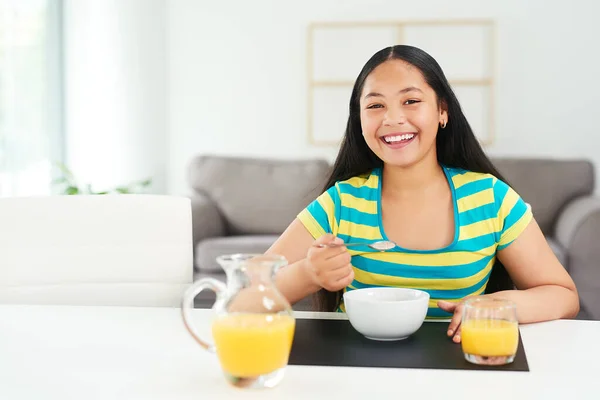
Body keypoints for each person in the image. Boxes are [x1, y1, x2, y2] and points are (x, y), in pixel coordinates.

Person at [267, 45, 579, 342]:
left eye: (411, 101)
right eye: (375, 105)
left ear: (442, 110)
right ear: (359, 120)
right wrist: (308, 273)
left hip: (463, 369)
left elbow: (563, 295)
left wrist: (498, 306)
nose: (392, 119)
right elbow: (245, 295)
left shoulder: (492, 199)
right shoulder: (341, 202)